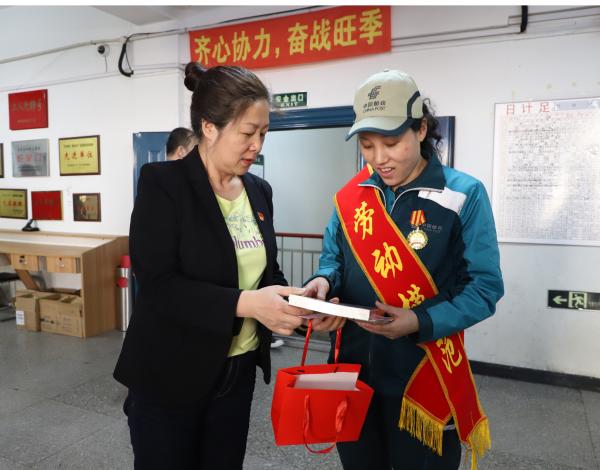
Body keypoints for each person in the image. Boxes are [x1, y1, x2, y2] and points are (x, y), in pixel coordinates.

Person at [303, 69, 504, 470]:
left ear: (421, 129)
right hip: (351, 370)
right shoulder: (352, 197)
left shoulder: (462, 194)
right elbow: (333, 260)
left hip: (422, 374)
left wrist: (418, 320)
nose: (379, 158)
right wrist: (322, 285)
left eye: (392, 143)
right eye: (367, 145)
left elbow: (484, 287)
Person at [113, 62, 307, 470]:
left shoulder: (258, 191)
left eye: (264, 134)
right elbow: (159, 285)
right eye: (247, 133)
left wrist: (301, 304)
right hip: (170, 372)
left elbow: (267, 274)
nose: (257, 145)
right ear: (209, 127)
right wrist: (247, 304)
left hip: (237, 371)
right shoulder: (163, 184)